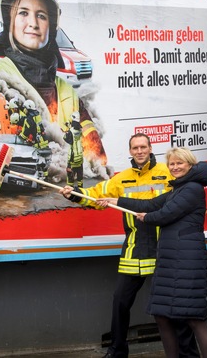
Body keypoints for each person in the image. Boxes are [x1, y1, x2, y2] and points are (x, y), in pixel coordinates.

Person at [60, 134, 199, 358]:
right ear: (131, 151)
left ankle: (188, 354)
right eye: (135, 148)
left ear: (151, 148)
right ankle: (117, 351)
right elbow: (96, 194)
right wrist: (74, 194)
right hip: (134, 248)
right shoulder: (121, 178)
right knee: (120, 302)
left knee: (174, 306)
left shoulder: (168, 172)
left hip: (165, 248)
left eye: (143, 146)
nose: (140, 151)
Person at [0, 0, 107, 172]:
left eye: (41, 16)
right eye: (23, 13)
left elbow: (96, 155)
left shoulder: (66, 91)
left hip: (63, 191)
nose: (33, 23)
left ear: (52, 25)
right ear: (7, 21)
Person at [96, 148, 207, 358]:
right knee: (162, 316)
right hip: (171, 260)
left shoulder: (193, 189)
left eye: (180, 163)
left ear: (190, 165)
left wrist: (146, 217)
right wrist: (116, 200)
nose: (175, 167)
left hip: (186, 261)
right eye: (172, 164)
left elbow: (162, 214)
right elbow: (150, 204)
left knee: (194, 317)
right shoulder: (177, 189)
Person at [64, 112, 83, 188]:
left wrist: (67, 129)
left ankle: (70, 192)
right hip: (80, 158)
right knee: (80, 177)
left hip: (72, 158)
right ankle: (81, 191)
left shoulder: (70, 132)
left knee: (70, 178)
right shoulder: (80, 130)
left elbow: (66, 138)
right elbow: (75, 133)